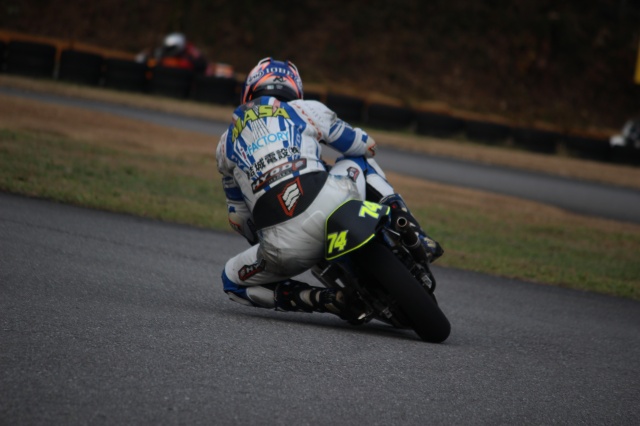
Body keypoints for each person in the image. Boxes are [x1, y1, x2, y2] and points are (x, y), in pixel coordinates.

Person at [216, 57, 443, 321]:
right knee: (358, 161)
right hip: (332, 200)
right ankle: (413, 232)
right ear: (295, 90)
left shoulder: (224, 145)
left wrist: (268, 241)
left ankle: (322, 299)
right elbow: (366, 146)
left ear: (249, 91)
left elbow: (239, 220)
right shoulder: (305, 109)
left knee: (231, 281)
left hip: (285, 245)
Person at [136, 32, 208, 75]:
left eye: (170, 48)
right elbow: (142, 58)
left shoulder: (190, 55)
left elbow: (202, 65)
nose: (168, 50)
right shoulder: (160, 53)